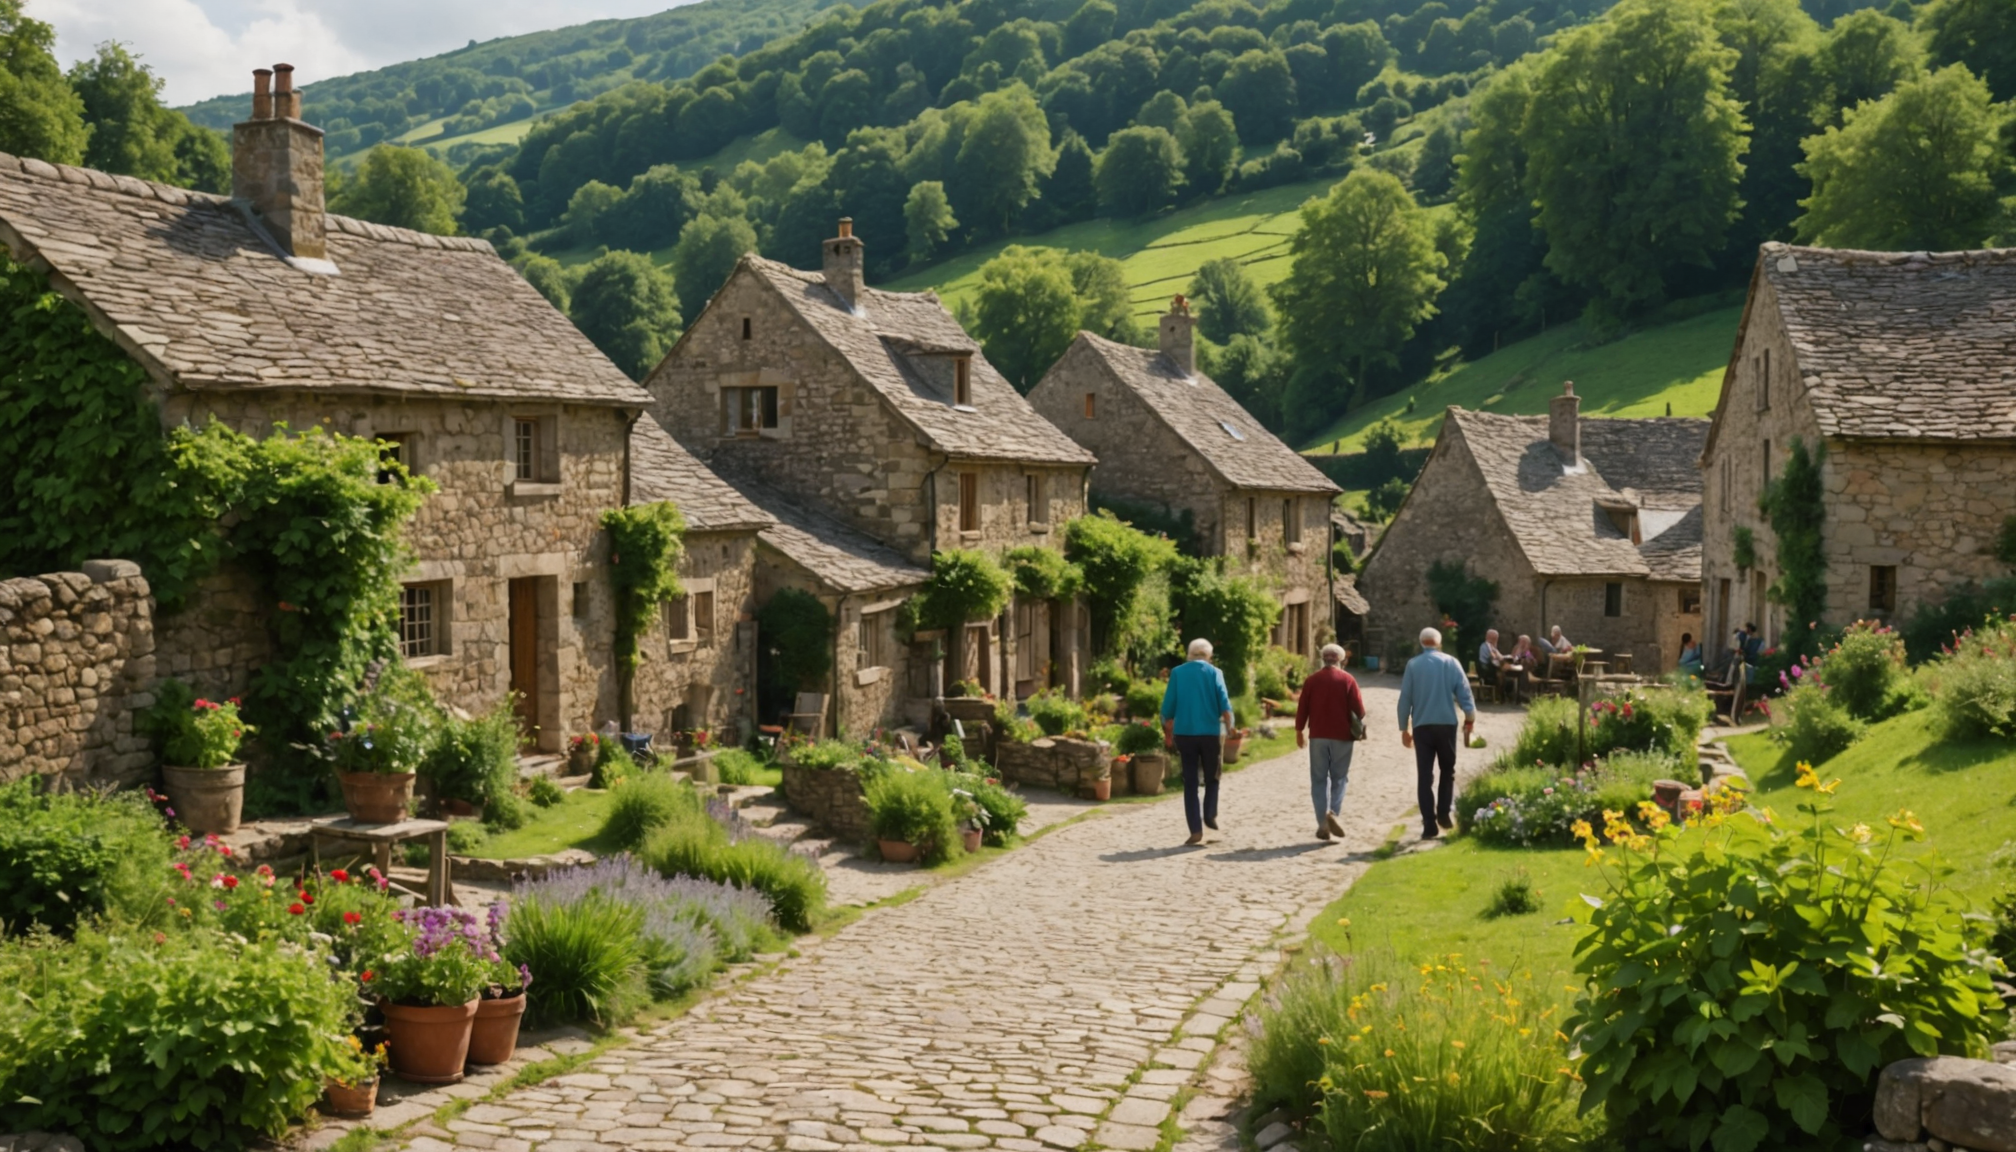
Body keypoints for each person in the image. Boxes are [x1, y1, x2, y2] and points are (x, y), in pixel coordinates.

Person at [1396, 626, 1476, 840]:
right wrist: (1470, 718)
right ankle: (1444, 813)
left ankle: (1429, 824)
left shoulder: (1413, 665)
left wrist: (1404, 728)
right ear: (1439, 643)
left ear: (1421, 643)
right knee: (1447, 770)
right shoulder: (1451, 663)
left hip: (1422, 726)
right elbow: (1464, 692)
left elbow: (1405, 698)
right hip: (1446, 723)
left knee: (1425, 776)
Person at [1161, 637, 1233, 846]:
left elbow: (1167, 709)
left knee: (1190, 782)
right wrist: (1230, 727)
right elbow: (1225, 705)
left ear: (1189, 654)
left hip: (1185, 735)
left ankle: (1195, 830)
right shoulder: (1215, 673)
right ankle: (1210, 814)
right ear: (1209, 655)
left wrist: (1166, 731)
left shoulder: (1177, 673)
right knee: (1213, 776)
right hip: (1210, 733)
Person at [1295, 643, 1365, 842]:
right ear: (1341, 660)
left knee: (1318, 779)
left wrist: (1299, 730)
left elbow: (1302, 708)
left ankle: (1322, 824)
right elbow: (1359, 710)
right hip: (1342, 736)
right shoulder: (1347, 680)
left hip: (1318, 736)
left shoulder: (1311, 681)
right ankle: (1333, 812)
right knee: (1339, 777)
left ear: (1323, 659)